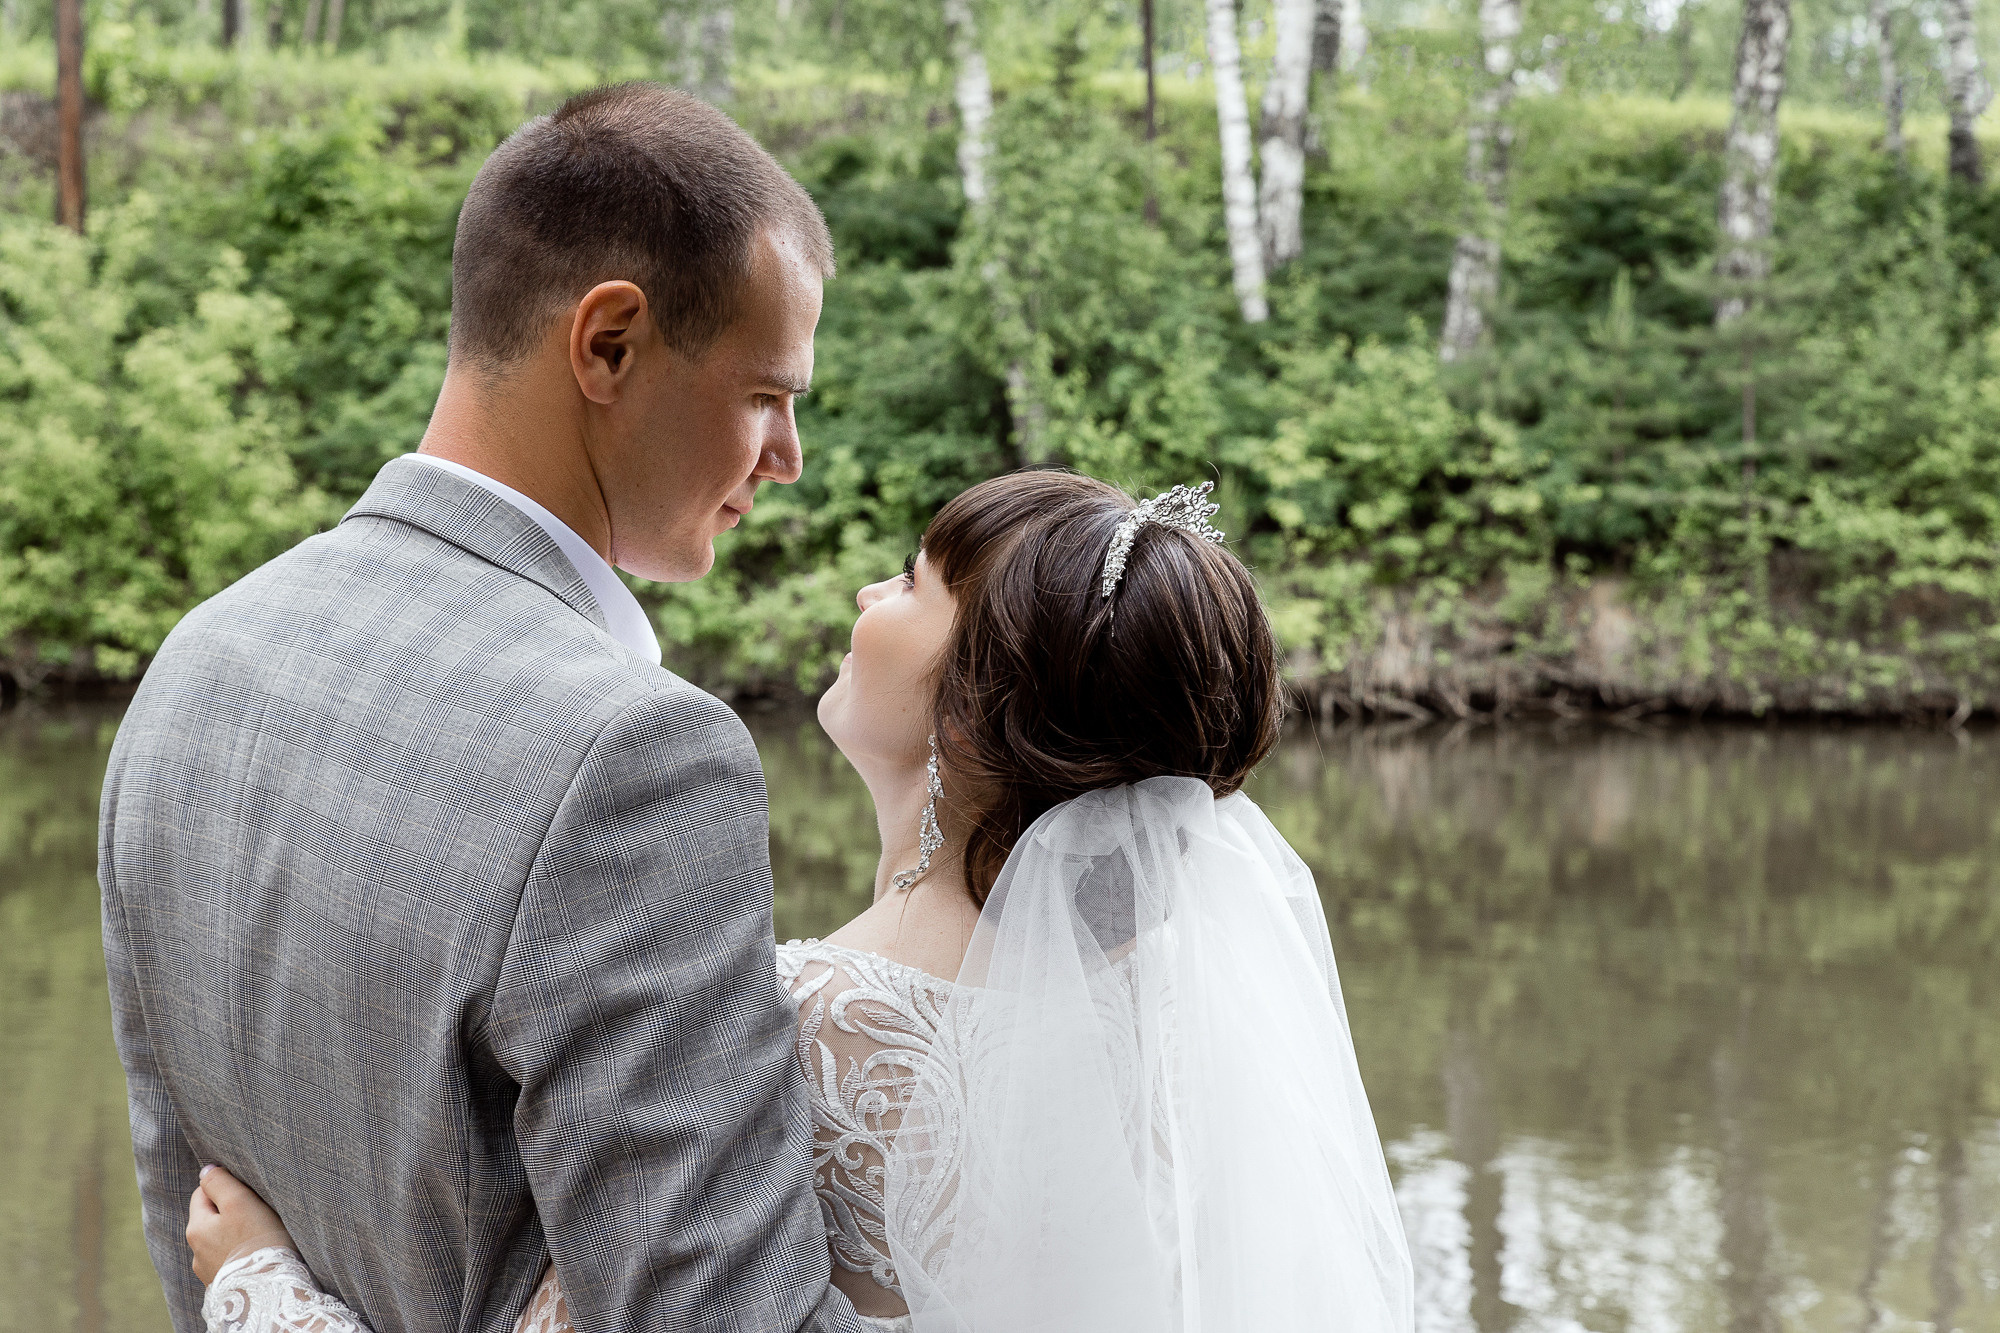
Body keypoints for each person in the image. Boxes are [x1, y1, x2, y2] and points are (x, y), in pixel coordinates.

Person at [184, 471, 1417, 1332]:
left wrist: (259, 1290)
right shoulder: (1185, 1031)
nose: (867, 600)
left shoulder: (810, 1017)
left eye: (912, 584)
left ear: (973, 702)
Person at [100, 84, 858, 1333]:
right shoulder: (634, 759)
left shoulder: (193, 665)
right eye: (767, 393)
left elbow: (187, 1230)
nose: (786, 456)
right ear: (608, 342)